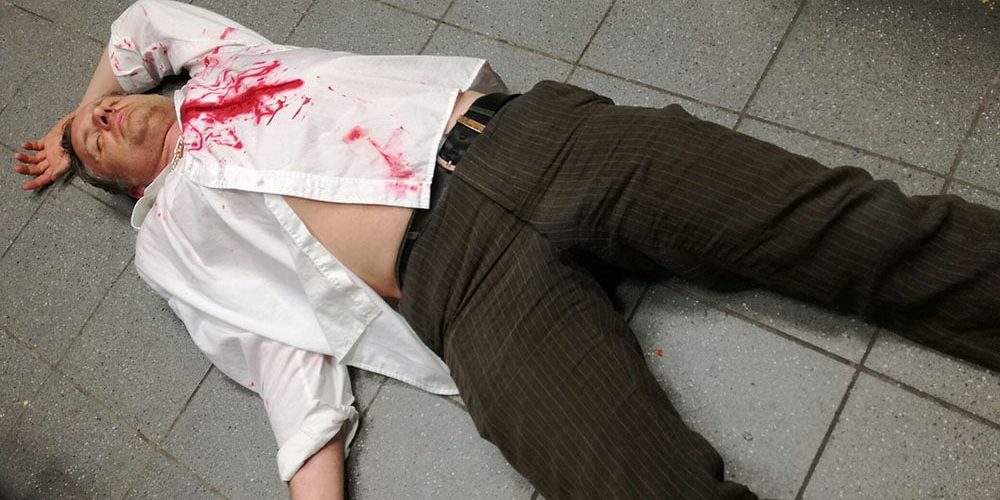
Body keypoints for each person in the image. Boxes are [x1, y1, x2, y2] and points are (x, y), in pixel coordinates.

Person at [12, 1, 999, 498]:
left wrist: (72, 113)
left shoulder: (226, 68)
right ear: (125, 188)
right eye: (96, 143)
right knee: (621, 484)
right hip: (463, 285)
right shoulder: (171, 236)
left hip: (535, 141)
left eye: (105, 109)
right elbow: (275, 347)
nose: (104, 121)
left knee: (857, 227)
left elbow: (143, 21)